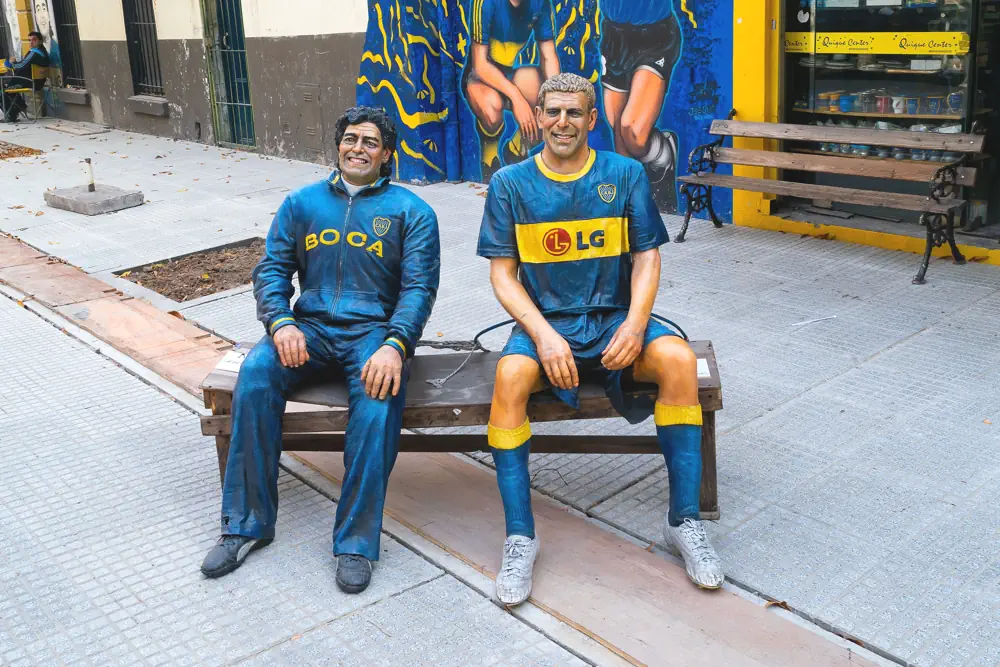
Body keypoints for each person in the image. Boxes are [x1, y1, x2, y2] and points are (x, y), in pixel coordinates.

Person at [476, 72, 723, 605]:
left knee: (678, 360)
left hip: (614, 319)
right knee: (510, 375)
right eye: (553, 112)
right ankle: (520, 537)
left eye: (574, 113)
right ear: (539, 117)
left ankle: (683, 522)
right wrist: (541, 336)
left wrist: (635, 324)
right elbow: (502, 274)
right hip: (549, 325)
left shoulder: (626, 173)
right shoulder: (510, 183)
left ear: (592, 119)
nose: (562, 122)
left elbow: (647, 258)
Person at [200, 106, 441, 594]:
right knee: (256, 375)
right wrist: (281, 321)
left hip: (374, 333)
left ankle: (355, 543)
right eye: (351, 139)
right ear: (338, 146)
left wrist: (396, 345)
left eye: (370, 142)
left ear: (387, 153)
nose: (358, 148)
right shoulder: (301, 203)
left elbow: (419, 289)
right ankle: (245, 525)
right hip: (306, 328)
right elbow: (271, 271)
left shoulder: (412, 212)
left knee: (377, 405)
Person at [599, 1, 682, 210]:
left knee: (632, 130)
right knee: (618, 129)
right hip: (614, 35)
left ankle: (662, 154)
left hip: (655, 36)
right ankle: (632, 210)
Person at [464, 0, 560, 178]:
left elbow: (548, 55)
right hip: (481, 77)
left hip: (510, 72)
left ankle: (517, 149)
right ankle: (489, 157)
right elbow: (480, 65)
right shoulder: (485, 3)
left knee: (550, 106)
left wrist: (556, 100)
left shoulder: (540, 3)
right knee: (492, 106)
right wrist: (517, 98)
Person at [2, 32, 50, 122]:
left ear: (40, 41)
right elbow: (24, 64)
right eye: (29, 40)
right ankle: (16, 109)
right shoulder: (42, 52)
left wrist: (11, 64)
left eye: (34, 40)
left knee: (3, 89)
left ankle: (13, 112)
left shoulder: (35, 53)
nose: (31, 42)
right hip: (34, 81)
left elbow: (21, 66)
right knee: (6, 86)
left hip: (31, 82)